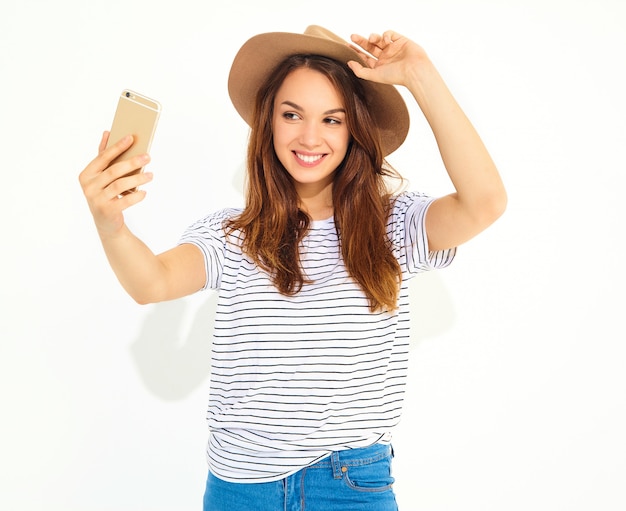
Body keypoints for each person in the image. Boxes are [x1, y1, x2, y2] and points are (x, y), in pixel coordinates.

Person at [79, 25, 506, 511]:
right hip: (240, 488)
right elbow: (151, 282)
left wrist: (421, 75)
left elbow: (485, 202)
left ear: (354, 131)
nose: (309, 136)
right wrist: (110, 222)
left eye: (331, 119)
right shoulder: (232, 233)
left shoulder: (395, 225)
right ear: (269, 123)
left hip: (350, 484)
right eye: (291, 114)